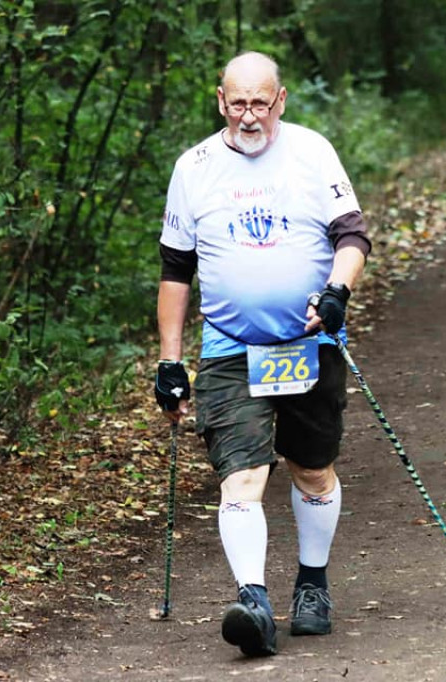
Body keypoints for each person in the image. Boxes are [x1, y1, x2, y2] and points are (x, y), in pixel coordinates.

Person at [154, 51, 371, 657]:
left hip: (310, 343)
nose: (250, 116)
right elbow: (176, 270)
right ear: (221, 101)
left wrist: (336, 293)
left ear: (280, 100)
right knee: (242, 476)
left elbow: (352, 235)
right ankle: (253, 601)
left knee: (312, 469)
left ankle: (311, 583)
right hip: (229, 348)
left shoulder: (311, 151)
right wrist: (170, 362)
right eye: (238, 102)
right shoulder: (194, 167)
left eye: (261, 102)